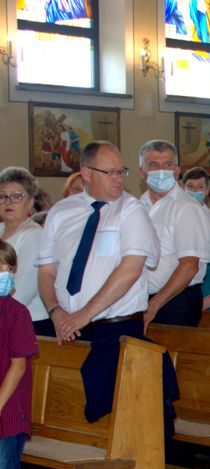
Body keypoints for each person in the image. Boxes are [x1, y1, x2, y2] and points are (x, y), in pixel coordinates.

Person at [36, 141, 175, 435]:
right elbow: (47, 271)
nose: (118, 178)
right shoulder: (62, 212)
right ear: (87, 173)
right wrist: (56, 312)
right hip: (68, 328)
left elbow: (130, 269)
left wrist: (83, 315)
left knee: (119, 422)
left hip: (116, 329)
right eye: (109, 172)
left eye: (121, 171)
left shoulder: (131, 211)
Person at [138, 140, 210, 328]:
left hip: (175, 301)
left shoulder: (187, 208)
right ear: (142, 172)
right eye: (153, 165)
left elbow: (189, 266)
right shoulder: (137, 207)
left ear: (177, 171)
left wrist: (154, 305)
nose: (161, 171)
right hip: (142, 299)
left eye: (167, 165)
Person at [0, 240, 39, 469]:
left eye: (6, 268)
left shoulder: (16, 313)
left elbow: (18, 365)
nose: (2, 273)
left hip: (8, 409)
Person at [0, 167, 47, 333]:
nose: (8, 202)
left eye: (16, 196)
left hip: (27, 323)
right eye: (2, 196)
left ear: (30, 202)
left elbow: (22, 293)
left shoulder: (34, 235)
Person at [181, 167, 210, 234]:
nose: (195, 190)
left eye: (200, 187)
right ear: (182, 188)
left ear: (207, 191)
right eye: (190, 186)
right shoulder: (174, 212)